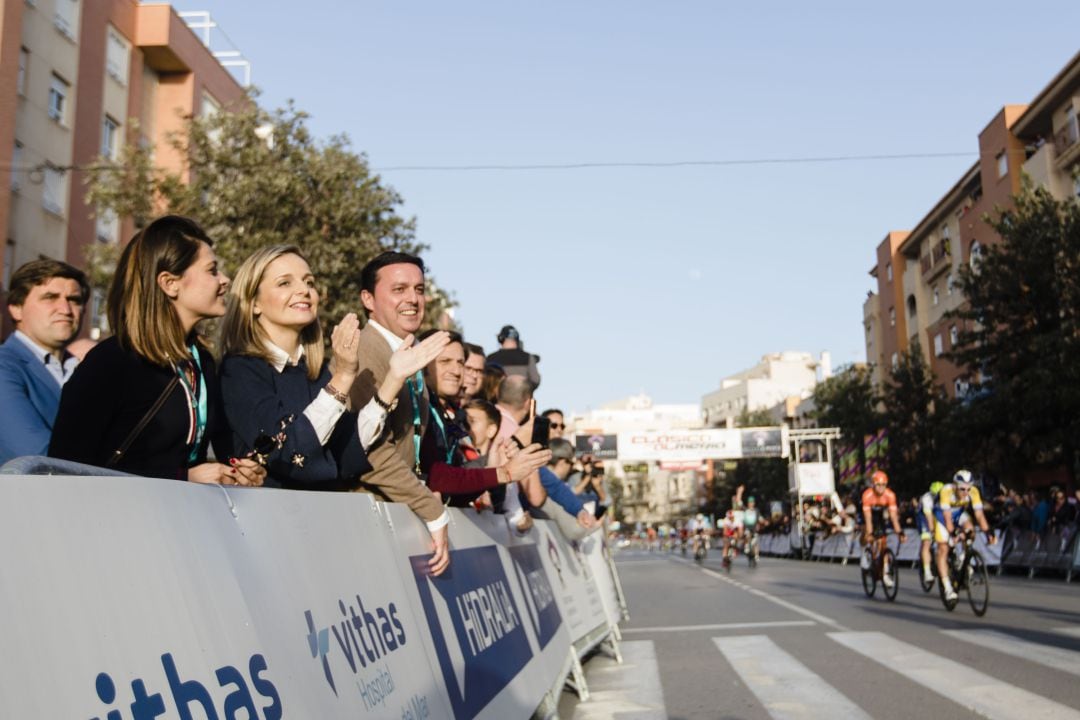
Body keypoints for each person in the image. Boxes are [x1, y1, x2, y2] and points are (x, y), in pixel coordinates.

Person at [49, 215, 264, 486]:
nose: (225, 279)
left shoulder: (203, 362)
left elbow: (197, 455)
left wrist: (240, 470)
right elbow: (65, 466)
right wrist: (181, 477)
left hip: (182, 520)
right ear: (169, 283)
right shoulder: (112, 361)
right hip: (117, 521)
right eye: (212, 270)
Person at [218, 245, 450, 489]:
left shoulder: (315, 374)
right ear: (254, 303)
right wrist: (342, 377)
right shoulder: (239, 371)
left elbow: (348, 456)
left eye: (309, 282)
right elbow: (290, 452)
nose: (303, 291)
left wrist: (393, 379)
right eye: (285, 283)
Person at [347, 251, 450, 575]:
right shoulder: (365, 351)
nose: (413, 299)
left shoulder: (407, 352)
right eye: (399, 289)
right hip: (370, 525)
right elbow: (369, 452)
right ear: (368, 298)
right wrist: (431, 509)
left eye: (419, 289)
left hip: (399, 518)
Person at [417, 329, 550, 505]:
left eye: (460, 363)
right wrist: (503, 470)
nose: (456, 371)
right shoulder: (417, 407)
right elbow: (437, 478)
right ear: (423, 365)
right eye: (445, 361)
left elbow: (456, 491)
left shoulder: (448, 414)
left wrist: (496, 467)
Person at [0, 259, 89, 464]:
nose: (65, 309)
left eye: (74, 299)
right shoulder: (6, 366)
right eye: (50, 297)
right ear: (16, 308)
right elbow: (37, 457)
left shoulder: (88, 369)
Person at [934, 469, 996, 602]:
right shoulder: (946, 491)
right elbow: (947, 516)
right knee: (943, 549)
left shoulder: (974, 492)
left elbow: (979, 515)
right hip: (942, 516)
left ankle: (963, 558)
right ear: (955, 485)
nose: (966, 493)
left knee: (970, 529)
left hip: (958, 514)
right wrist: (953, 532)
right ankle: (947, 588)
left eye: (969, 489)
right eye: (962, 489)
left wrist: (988, 532)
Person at [860, 470, 906, 588]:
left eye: (883, 485)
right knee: (867, 533)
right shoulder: (867, 495)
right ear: (873, 484)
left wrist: (899, 532)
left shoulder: (890, 495)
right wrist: (869, 533)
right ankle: (865, 553)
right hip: (867, 513)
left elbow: (893, 517)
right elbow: (868, 518)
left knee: (883, 542)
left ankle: (885, 573)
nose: (881, 488)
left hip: (880, 515)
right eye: (878, 485)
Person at [486, 324, 540, 389]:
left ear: (500, 338)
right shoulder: (528, 357)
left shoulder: (491, 358)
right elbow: (535, 380)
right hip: (522, 396)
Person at [917, 481, 945, 585]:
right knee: (927, 541)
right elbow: (928, 517)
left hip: (936, 514)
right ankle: (927, 572)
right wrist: (932, 532)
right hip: (923, 517)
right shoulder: (926, 498)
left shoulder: (946, 496)